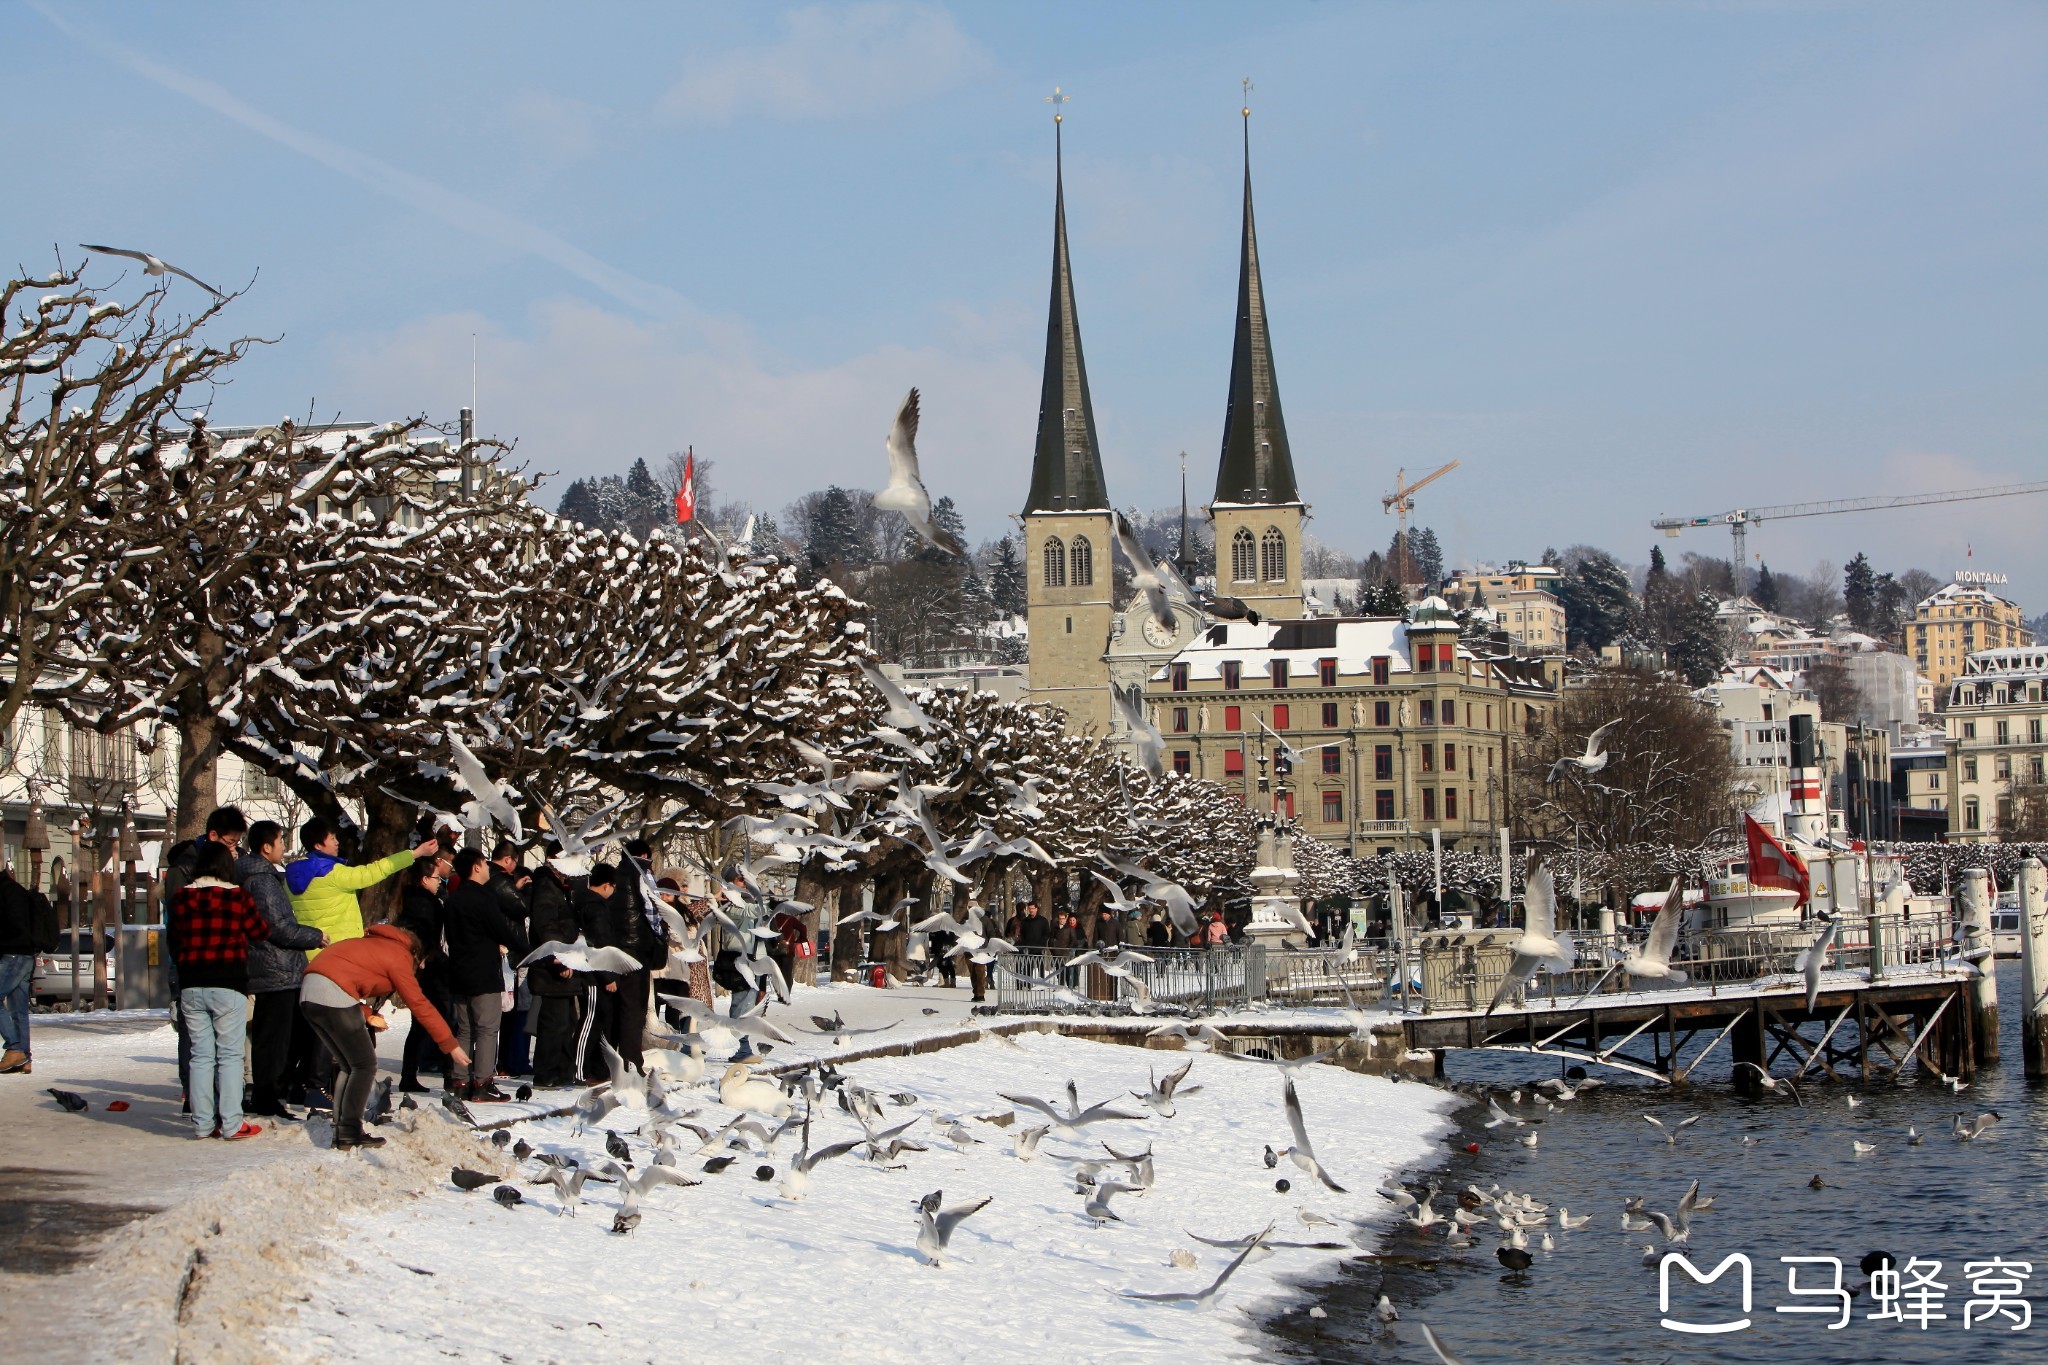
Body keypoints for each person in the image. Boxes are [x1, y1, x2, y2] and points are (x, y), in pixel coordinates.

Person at [300, 924, 469, 1151]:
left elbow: (342, 978)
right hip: (332, 993)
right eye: (422, 961)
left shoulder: (374, 945)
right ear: (415, 952)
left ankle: (343, 1130)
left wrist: (368, 1014)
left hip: (310, 993)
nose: (422, 966)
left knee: (349, 1065)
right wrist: (450, 1044)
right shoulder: (397, 954)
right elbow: (419, 1004)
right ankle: (349, 1132)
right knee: (363, 1065)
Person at [166, 842, 270, 1140]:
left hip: (191, 983)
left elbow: (173, 941)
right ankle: (232, 1123)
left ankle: (201, 1124)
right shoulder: (238, 897)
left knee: (200, 1056)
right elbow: (260, 932)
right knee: (230, 1056)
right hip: (228, 982)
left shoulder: (181, 899)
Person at [237, 822, 328, 1119]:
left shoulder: (261, 876)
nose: (283, 847)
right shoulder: (261, 879)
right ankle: (268, 1094)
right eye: (279, 841)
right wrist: (315, 935)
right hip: (275, 968)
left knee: (284, 1035)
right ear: (266, 847)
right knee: (275, 1038)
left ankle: (275, 1091)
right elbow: (277, 927)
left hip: (277, 968)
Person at [162, 806, 248, 1111]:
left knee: (215, 1044)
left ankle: (210, 1106)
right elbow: (176, 922)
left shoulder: (230, 863)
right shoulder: (184, 869)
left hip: (215, 964)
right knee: (197, 1040)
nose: (235, 849)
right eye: (230, 842)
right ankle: (196, 1099)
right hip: (191, 964)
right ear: (213, 836)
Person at [442, 848, 528, 1101]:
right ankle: (482, 1083)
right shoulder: (484, 898)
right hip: (483, 971)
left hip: (458, 970)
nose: (489, 868)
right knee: (488, 1028)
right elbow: (501, 930)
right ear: (477, 867)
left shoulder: (453, 899)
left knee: (465, 1029)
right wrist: (527, 949)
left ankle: (460, 1081)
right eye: (485, 863)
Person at [286, 818, 436, 952]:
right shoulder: (334, 873)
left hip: (307, 951)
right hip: (337, 952)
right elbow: (376, 870)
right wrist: (416, 853)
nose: (337, 842)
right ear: (318, 845)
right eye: (332, 838)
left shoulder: (289, 877)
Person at [523, 853, 587, 1089]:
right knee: (554, 1023)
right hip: (552, 969)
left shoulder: (561, 888)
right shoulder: (546, 888)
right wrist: (559, 959)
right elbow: (546, 926)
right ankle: (546, 1072)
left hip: (564, 965)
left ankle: (562, 1070)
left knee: (567, 1022)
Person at [393, 856, 453, 1094]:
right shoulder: (422, 902)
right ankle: (450, 1076)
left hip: (427, 965)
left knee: (420, 1025)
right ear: (425, 879)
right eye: (437, 878)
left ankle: (409, 1075)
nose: (440, 882)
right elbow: (424, 934)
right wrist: (432, 957)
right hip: (428, 969)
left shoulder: (419, 899)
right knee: (441, 1019)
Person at [0, 863, 58, 1074]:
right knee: (18, 1010)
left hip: (14, 955)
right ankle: (24, 1059)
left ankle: (15, 1049)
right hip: (26, 955)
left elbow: (14, 927)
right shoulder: (17, 890)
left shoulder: (7, 892)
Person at [487, 842, 534, 1077]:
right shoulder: (498, 880)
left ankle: (504, 1061)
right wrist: (523, 891)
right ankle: (504, 1062)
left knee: (508, 1013)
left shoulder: (493, 880)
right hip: (509, 955)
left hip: (506, 953)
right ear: (508, 860)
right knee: (508, 1013)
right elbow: (520, 907)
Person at [574, 863, 622, 1080]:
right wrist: (608, 976)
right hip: (594, 974)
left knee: (600, 1020)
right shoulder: (595, 908)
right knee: (590, 1020)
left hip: (595, 971)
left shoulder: (585, 902)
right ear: (605, 885)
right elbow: (600, 943)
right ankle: (577, 1069)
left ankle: (598, 1068)